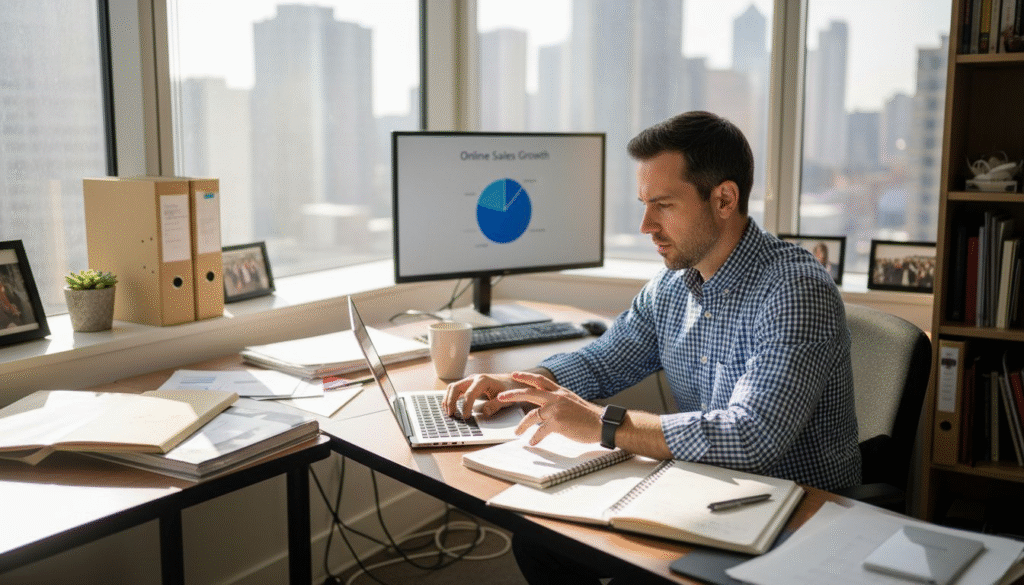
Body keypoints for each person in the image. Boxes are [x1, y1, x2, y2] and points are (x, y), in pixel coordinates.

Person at [443, 111, 860, 584]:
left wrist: (603, 424)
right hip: (704, 485)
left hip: (795, 510)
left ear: (724, 198)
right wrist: (517, 384)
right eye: (644, 204)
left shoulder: (795, 290)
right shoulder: (672, 285)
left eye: (662, 205)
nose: (645, 225)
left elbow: (752, 436)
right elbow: (603, 360)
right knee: (539, 542)